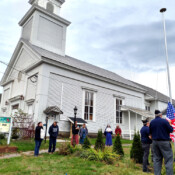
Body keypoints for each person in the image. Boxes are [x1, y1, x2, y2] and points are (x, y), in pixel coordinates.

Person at [149, 110, 173, 175]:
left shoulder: (151, 122)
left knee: (157, 160)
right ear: (161, 115)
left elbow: (150, 134)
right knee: (168, 160)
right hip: (164, 142)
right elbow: (171, 130)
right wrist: (170, 123)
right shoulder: (165, 121)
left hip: (155, 142)